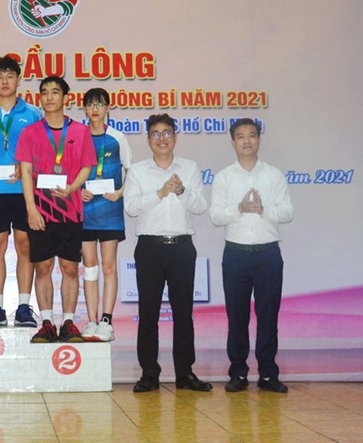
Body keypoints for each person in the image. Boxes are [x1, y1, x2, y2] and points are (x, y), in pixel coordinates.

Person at [124, 113, 212, 393]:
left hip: (182, 247)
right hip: (149, 248)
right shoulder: (137, 171)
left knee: (183, 313)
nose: (161, 139)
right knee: (148, 313)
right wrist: (160, 193)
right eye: (155, 134)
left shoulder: (189, 167)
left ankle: (185, 374)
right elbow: (131, 208)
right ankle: (149, 374)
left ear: (175, 137)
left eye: (166, 133)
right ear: (148, 139)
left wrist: (181, 190)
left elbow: (200, 206)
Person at [210, 118, 294, 394]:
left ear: (259, 140)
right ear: (232, 142)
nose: (246, 141)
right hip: (236, 254)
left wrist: (262, 209)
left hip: (268, 254)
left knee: (268, 316)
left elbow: (288, 212)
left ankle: (268, 374)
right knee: (237, 317)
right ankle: (238, 373)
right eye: (241, 136)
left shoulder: (274, 175)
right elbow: (215, 216)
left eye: (252, 135)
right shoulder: (224, 177)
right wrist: (239, 208)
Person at [16, 75, 96, 343]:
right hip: (41, 212)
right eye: (44, 92)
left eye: (54, 92)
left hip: (70, 211)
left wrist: (73, 188)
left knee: (70, 268)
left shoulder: (80, 131)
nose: (49, 97)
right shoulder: (30, 132)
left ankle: (69, 322)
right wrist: (31, 209)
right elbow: (25, 172)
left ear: (65, 98)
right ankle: (47, 322)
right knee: (43, 267)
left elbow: (87, 166)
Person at [0, 55, 42, 328]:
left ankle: (24, 307)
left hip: (24, 191)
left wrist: (26, 167)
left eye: (10, 76)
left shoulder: (33, 113)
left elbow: (42, 152)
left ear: (18, 80)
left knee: (25, 245)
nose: (4, 81)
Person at [80, 88, 132, 342]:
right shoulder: (79, 136)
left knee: (109, 265)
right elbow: (72, 172)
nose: (95, 109)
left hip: (110, 212)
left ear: (108, 107)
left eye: (100, 104)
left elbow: (131, 171)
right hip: (85, 212)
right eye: (90, 104)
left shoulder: (117, 137)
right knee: (90, 267)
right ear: (84, 109)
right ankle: (91, 321)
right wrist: (78, 191)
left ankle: (106, 320)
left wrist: (121, 192)